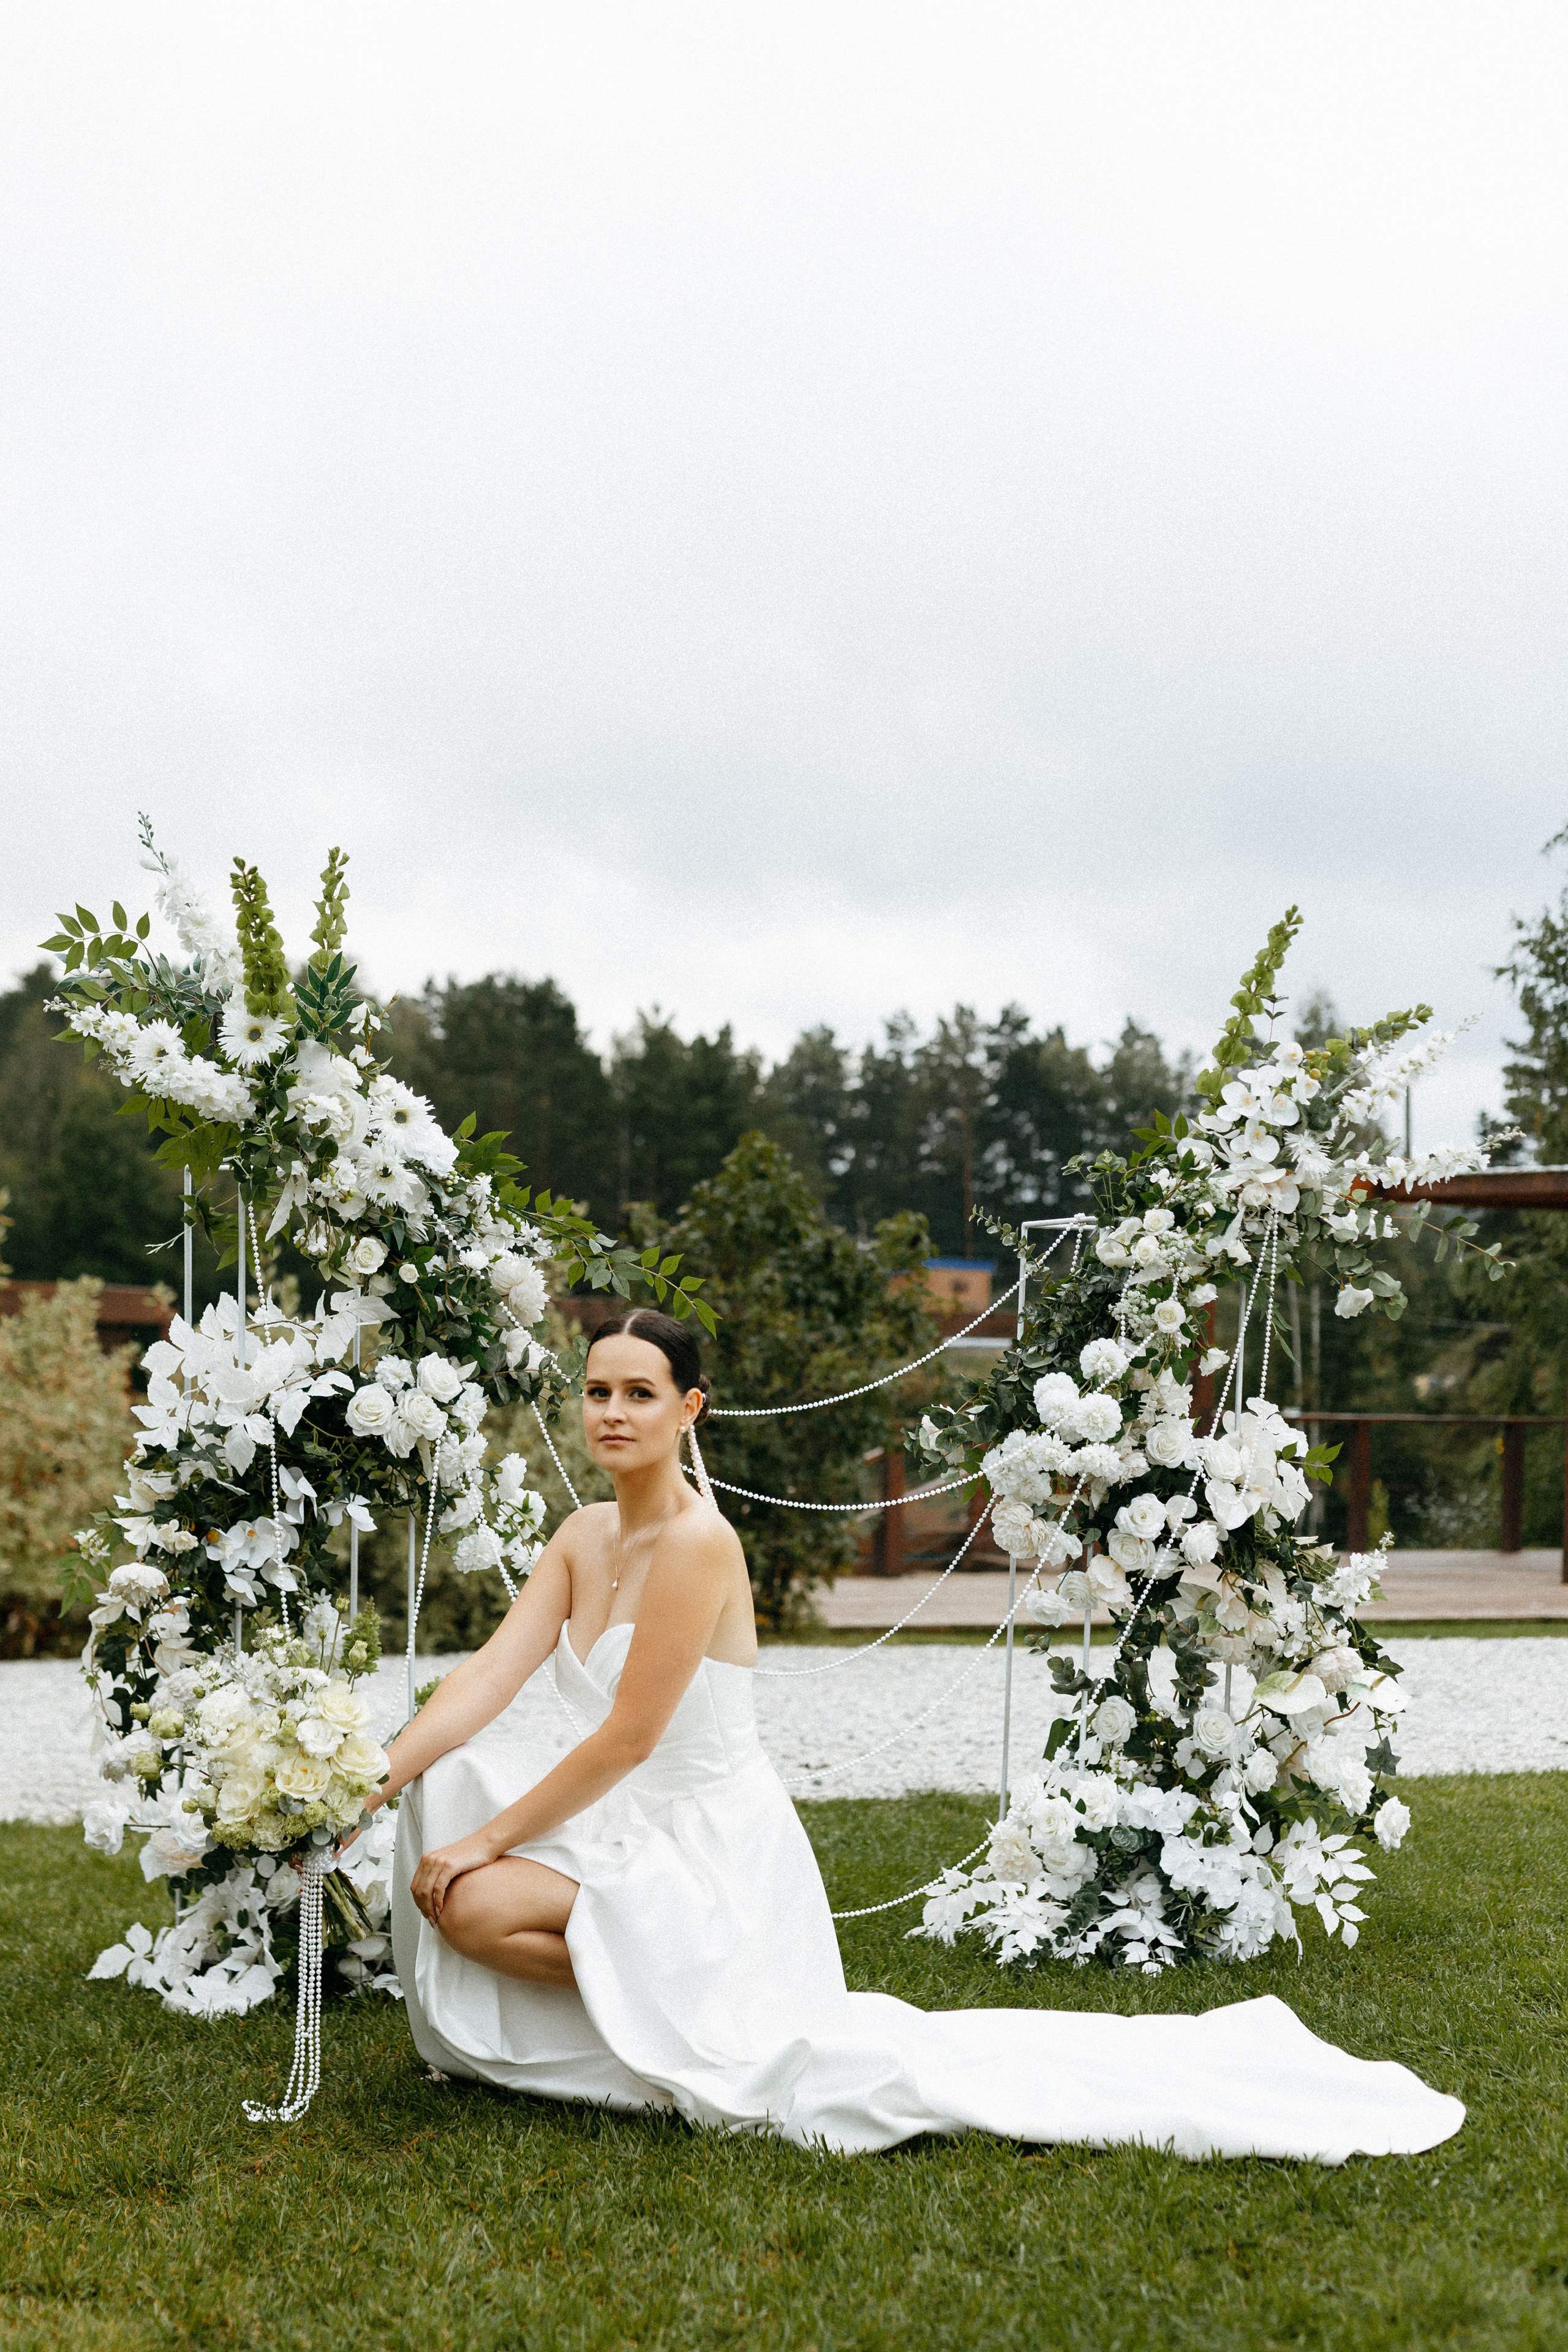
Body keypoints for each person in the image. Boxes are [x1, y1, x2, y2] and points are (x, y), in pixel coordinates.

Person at [377, 1308, 1463, 2159]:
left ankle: (713, 2003)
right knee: (451, 1804)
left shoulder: (700, 1543)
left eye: (639, 1393)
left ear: (689, 1408)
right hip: (622, 1829)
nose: (613, 1413)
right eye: (597, 1392)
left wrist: (488, 1841)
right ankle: (667, 2009)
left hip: (704, 1846)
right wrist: (367, 1783)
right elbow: (487, 1676)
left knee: (472, 1892)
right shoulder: (581, 1534)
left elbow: (627, 1737)